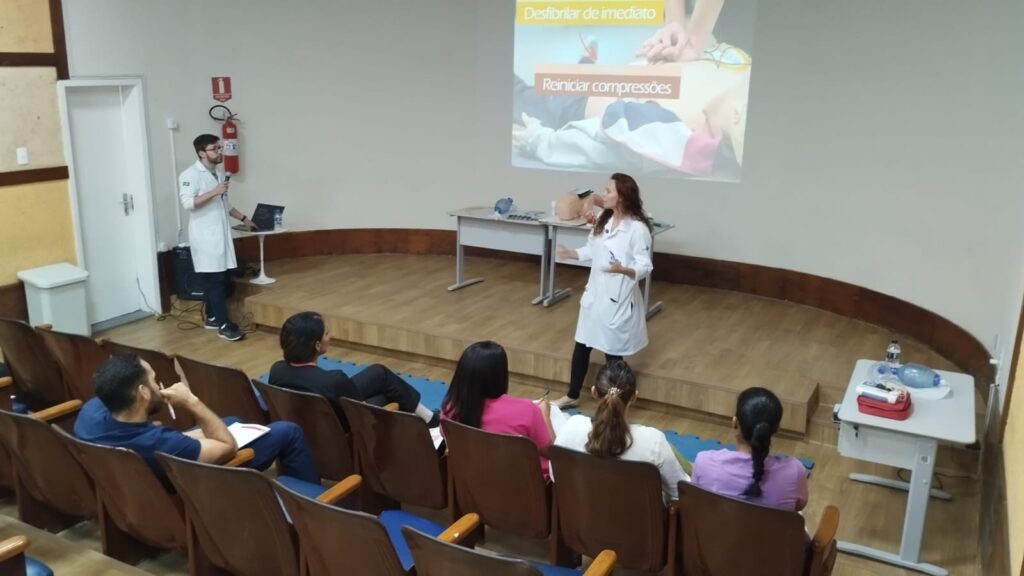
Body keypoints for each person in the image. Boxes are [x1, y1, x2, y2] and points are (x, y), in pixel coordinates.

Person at [74, 354, 319, 485]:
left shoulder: (90, 413)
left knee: (231, 420)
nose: (159, 385)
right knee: (288, 431)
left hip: (137, 485)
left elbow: (143, 434)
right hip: (193, 485)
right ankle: (311, 506)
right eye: (154, 380)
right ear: (143, 393)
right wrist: (191, 401)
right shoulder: (164, 444)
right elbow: (227, 447)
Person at [552, 173, 652, 408]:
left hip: (617, 298)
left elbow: (645, 266)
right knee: (582, 344)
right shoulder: (602, 221)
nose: (603, 195)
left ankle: (616, 402)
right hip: (594, 295)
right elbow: (591, 249)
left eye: (608, 191)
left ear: (622, 196)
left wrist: (624, 270)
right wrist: (571, 253)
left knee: (612, 353)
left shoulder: (637, 229)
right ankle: (573, 394)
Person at [267, 311, 439, 429]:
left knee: (379, 373)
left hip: (307, 422)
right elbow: (359, 414)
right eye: (326, 333)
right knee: (388, 396)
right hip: (340, 433)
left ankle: (429, 418)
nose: (331, 336)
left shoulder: (277, 370)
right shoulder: (334, 380)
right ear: (317, 345)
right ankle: (429, 424)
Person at [553, 360, 689, 501]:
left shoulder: (571, 427)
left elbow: (555, 476)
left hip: (579, 513)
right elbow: (680, 494)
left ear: (594, 392)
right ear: (634, 397)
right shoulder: (653, 442)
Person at [178, 134, 255, 342]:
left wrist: (244, 218)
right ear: (202, 153)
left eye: (220, 148)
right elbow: (188, 204)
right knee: (216, 281)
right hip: (206, 237)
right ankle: (223, 325)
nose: (220, 152)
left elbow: (224, 203)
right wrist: (214, 192)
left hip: (220, 235)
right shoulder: (190, 175)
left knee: (221, 279)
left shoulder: (219, 174)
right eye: (215, 149)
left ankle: (212, 317)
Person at [441, 341, 555, 477]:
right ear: (500, 375)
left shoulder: (451, 407)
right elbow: (553, 454)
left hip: (470, 484)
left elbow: (446, 437)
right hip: (522, 486)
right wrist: (545, 416)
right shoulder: (528, 411)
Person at [691, 387, 808, 511]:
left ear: (735, 423)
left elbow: (695, 501)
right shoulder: (795, 471)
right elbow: (800, 506)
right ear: (777, 428)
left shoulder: (704, 462)